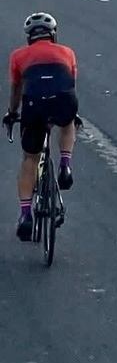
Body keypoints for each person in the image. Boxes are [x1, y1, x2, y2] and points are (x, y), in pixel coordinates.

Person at [2, 13, 79, 241]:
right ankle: (65, 164)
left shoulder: (18, 55)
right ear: (53, 34)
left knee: (30, 159)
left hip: (34, 105)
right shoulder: (67, 52)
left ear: (29, 37)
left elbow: (16, 91)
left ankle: (26, 214)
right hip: (64, 100)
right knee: (68, 122)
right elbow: (70, 84)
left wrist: (12, 113)